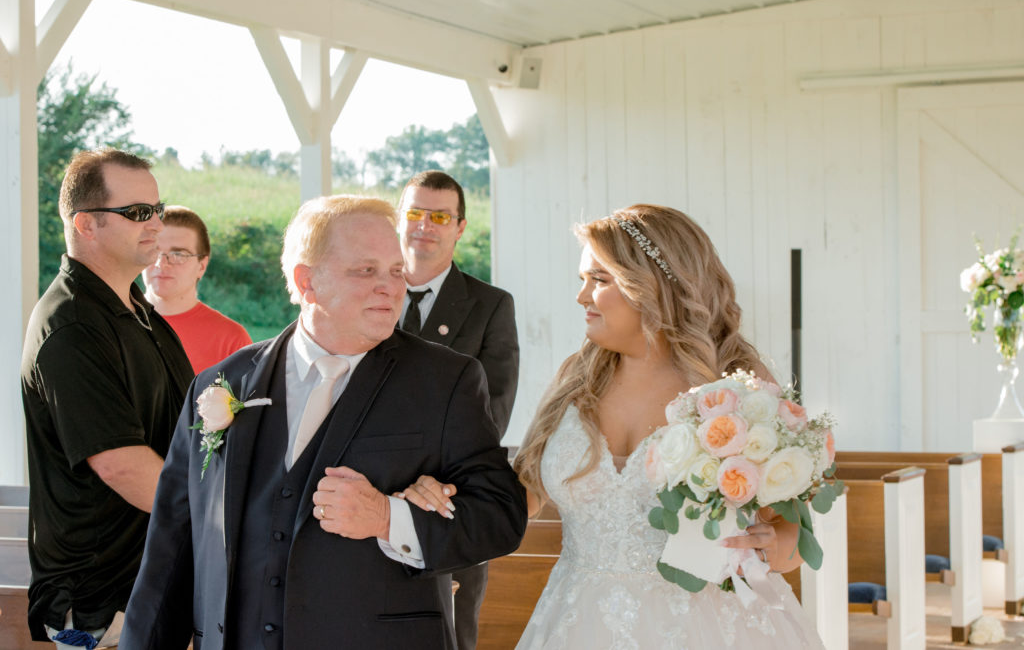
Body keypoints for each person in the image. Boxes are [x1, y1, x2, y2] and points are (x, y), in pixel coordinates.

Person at [402, 205, 825, 648]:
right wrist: (442, 495)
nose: (582, 297)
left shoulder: (735, 386)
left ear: (655, 286)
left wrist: (775, 545)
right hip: (579, 621)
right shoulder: (576, 380)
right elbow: (519, 497)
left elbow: (795, 532)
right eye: (583, 280)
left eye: (599, 281)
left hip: (711, 626)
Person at [120, 195, 528, 650]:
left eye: (395, 271)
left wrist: (388, 518)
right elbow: (172, 548)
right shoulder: (219, 383)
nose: (390, 287)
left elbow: (501, 516)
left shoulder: (445, 380)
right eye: (365, 270)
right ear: (306, 280)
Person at [20, 148, 194, 647]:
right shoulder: (71, 324)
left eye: (158, 209)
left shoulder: (140, 311)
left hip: (153, 588)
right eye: (138, 213)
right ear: (86, 225)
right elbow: (120, 464)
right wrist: (224, 520)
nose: (156, 223)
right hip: (106, 608)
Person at [397, 170, 519, 649]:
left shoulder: (490, 305)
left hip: (453, 497)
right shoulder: (370, 295)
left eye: (440, 216)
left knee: (451, 634)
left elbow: (493, 410)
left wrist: (427, 482)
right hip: (373, 493)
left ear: (460, 227)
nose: (425, 225)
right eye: (414, 213)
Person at [142, 205, 251, 374]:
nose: (161, 264)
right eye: (155, 251)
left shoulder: (231, 340)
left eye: (178, 255)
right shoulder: (113, 325)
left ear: (202, 266)